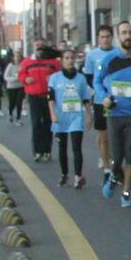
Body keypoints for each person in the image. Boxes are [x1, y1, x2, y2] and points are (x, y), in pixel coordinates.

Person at [93, 21, 131, 207]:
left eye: (130, 32)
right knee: (117, 157)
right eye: (124, 33)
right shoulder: (108, 60)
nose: (128, 36)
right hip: (114, 113)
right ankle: (114, 176)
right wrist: (104, 97)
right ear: (118, 37)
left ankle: (125, 194)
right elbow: (97, 82)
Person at [47, 47, 91, 188]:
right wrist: (53, 114)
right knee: (62, 147)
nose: (70, 60)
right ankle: (64, 174)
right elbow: (51, 99)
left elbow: (85, 99)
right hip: (61, 117)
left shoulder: (81, 79)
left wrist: (89, 116)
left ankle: (78, 176)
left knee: (76, 147)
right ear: (62, 60)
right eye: (67, 58)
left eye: (72, 58)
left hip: (76, 117)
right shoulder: (55, 78)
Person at [83, 25, 116, 182]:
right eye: (102, 37)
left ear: (112, 37)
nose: (105, 39)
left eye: (108, 36)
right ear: (98, 38)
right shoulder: (92, 55)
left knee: (113, 135)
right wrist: (98, 90)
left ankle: (109, 159)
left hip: (116, 99)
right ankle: (107, 167)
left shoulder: (118, 53)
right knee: (103, 136)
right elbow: (88, 76)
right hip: (99, 100)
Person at [18, 44, 62, 161]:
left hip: (49, 96)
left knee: (48, 123)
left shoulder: (53, 62)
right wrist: (26, 79)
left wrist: (53, 78)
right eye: (37, 47)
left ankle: (47, 151)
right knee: (36, 123)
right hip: (34, 96)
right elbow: (21, 75)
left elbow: (60, 75)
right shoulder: (27, 62)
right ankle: (37, 151)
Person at [3, 56, 24, 122]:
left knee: (19, 102)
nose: (17, 59)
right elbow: (5, 77)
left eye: (18, 57)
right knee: (12, 102)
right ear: (13, 58)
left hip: (20, 86)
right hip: (11, 87)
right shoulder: (10, 66)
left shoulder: (22, 65)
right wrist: (15, 79)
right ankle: (10, 114)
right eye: (16, 57)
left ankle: (18, 118)